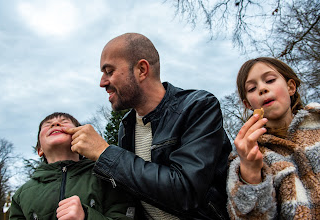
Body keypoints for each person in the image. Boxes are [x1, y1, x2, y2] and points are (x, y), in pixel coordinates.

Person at [64, 33, 232, 219]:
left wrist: (105, 153)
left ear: (142, 70)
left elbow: (186, 192)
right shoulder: (126, 126)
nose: (102, 82)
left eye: (109, 71)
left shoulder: (198, 106)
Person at [226, 57, 320, 219]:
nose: (262, 89)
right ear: (248, 104)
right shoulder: (248, 156)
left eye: (270, 80)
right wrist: (250, 175)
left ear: (291, 87)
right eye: (252, 88)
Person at [9, 112, 136, 220]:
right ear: (39, 149)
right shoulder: (21, 195)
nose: (55, 124)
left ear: (80, 136)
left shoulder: (107, 177)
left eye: (64, 122)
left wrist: (87, 216)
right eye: (48, 125)